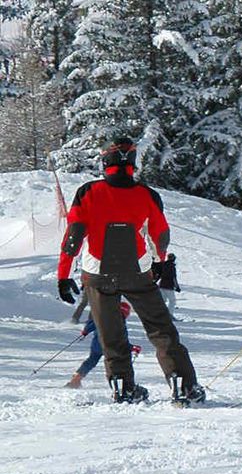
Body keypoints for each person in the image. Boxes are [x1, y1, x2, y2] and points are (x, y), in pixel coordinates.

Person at [57, 138, 202, 405]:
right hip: (137, 271)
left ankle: (123, 389)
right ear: (133, 163)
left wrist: (63, 275)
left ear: (105, 162)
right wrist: (160, 260)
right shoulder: (147, 194)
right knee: (161, 330)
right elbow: (160, 233)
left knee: (111, 335)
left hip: (97, 274)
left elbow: (74, 236)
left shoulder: (87, 192)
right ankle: (183, 386)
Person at [67, 301, 140, 389]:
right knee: (112, 363)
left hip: (96, 344)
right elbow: (122, 341)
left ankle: (76, 379)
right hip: (109, 346)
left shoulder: (104, 316)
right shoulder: (120, 323)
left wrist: (85, 332)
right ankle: (116, 385)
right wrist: (132, 348)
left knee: (91, 360)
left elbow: (93, 322)